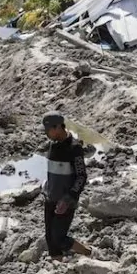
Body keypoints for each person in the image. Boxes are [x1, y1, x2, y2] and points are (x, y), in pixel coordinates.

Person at [41, 112, 92, 262]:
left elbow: (81, 176)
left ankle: (88, 252)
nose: (46, 133)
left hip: (66, 201)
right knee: (51, 240)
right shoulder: (53, 145)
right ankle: (57, 268)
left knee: (59, 237)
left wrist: (68, 198)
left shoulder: (74, 148)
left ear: (58, 127)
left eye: (48, 129)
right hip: (50, 197)